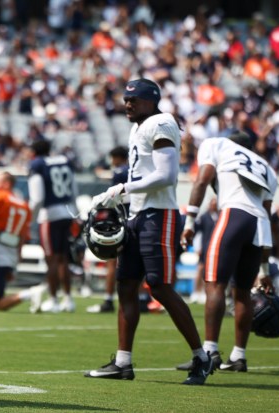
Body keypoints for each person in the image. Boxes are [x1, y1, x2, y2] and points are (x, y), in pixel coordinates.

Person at [85, 78, 212, 385]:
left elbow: (167, 175)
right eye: (126, 99)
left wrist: (121, 188)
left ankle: (202, 357)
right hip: (137, 214)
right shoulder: (138, 127)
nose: (128, 104)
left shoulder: (161, 123)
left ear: (151, 101)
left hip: (160, 215)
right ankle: (123, 363)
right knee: (126, 285)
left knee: (160, 286)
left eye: (135, 99)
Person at [178, 132, 277, 373]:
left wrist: (190, 222)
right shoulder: (268, 169)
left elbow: (202, 180)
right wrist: (265, 269)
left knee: (215, 284)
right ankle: (238, 357)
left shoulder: (217, 144)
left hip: (233, 215)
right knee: (243, 292)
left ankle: (209, 353)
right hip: (259, 226)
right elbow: (267, 215)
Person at [0, 172, 45, 312]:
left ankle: (30, 294)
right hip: (11, 253)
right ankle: (28, 295)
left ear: (6, 183)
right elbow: (23, 237)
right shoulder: (23, 205)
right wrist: (16, 261)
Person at [28, 139, 78, 313]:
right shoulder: (64, 160)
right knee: (63, 257)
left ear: (33, 152)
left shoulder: (38, 165)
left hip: (49, 215)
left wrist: (31, 219)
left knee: (52, 260)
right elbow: (74, 189)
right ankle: (68, 299)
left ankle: (54, 299)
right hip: (67, 212)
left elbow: (38, 197)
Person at [88, 145, 129, 314]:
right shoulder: (137, 170)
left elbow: (113, 198)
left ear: (117, 158)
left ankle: (108, 299)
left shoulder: (120, 172)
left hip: (122, 218)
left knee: (112, 261)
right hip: (139, 216)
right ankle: (142, 299)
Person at [188, 197, 219, 305]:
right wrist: (197, 247)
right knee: (201, 269)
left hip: (216, 249)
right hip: (205, 248)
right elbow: (197, 233)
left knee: (211, 272)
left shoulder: (220, 217)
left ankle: (206, 293)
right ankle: (196, 292)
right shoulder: (204, 217)